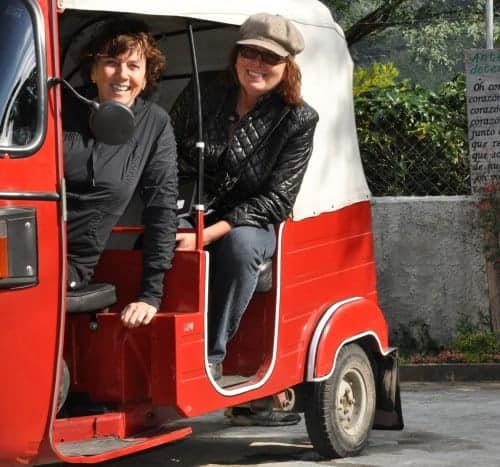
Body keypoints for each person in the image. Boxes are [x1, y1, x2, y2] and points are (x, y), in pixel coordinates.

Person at [171, 13, 318, 425]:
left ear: (287, 65)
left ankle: (210, 356)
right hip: (194, 206)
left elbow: (277, 198)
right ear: (236, 55)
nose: (257, 64)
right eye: (250, 52)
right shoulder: (205, 91)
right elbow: (171, 154)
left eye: (269, 57)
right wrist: (173, 218)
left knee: (237, 249)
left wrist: (209, 233)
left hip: (252, 221)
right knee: (152, 244)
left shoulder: (298, 119)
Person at [63, 18, 178, 328]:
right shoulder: (59, 107)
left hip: (68, 265)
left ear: (146, 74)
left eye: (133, 65)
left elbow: (161, 207)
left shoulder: (154, 124)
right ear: (93, 70)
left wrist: (151, 294)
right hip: (19, 242)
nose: (122, 74)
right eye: (111, 63)